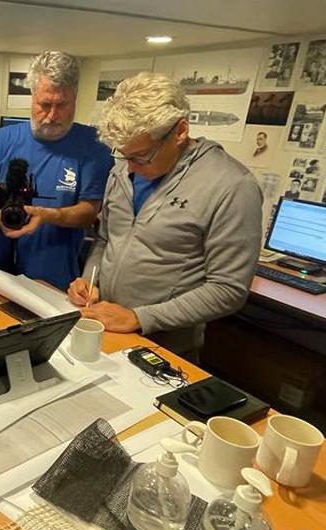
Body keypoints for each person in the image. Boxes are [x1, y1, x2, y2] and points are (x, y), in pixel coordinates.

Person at [67, 72, 262, 362]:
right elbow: (106, 240)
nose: (129, 168)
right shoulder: (123, 169)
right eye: (124, 156)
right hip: (104, 326)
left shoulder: (232, 186)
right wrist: (89, 279)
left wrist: (140, 317)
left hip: (166, 346)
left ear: (180, 131)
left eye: (141, 157)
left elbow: (228, 289)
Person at [0, 50, 113, 290]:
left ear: (75, 98)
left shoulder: (94, 148)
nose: (52, 115)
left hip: (58, 281)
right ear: (32, 96)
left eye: (62, 105)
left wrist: (47, 216)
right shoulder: (2, 140)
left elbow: (89, 212)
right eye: (45, 104)